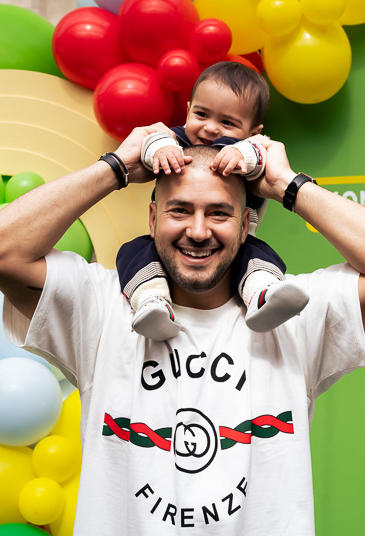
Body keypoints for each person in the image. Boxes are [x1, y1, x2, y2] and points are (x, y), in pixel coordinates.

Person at [0, 126, 365, 536]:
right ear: (152, 217)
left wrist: (286, 185)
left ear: (246, 226)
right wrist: (117, 167)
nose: (197, 231)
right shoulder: (98, 306)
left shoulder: (294, 312)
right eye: (179, 210)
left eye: (219, 213)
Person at [116, 61, 308, 342]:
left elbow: (261, 155)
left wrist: (243, 155)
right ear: (188, 110)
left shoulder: (249, 149)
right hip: (166, 247)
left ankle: (263, 296)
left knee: (259, 258)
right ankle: (151, 302)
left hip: (236, 245)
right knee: (133, 253)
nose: (210, 128)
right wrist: (160, 150)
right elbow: (151, 142)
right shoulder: (176, 141)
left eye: (227, 122)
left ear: (253, 132)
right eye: (201, 114)